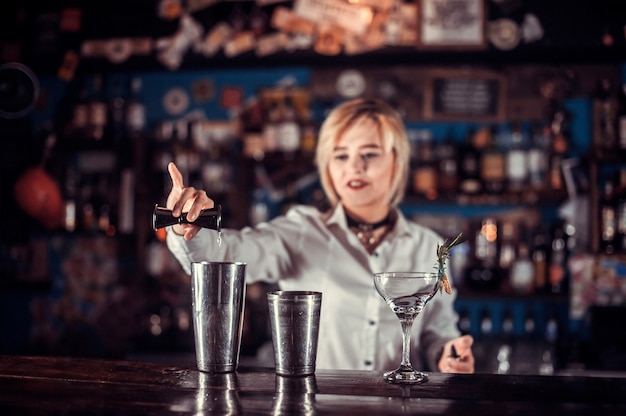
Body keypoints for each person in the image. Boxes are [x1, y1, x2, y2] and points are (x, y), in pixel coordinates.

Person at [165, 98, 475, 374]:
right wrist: (190, 225)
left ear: (396, 162)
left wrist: (448, 355)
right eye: (340, 156)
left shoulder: (431, 248)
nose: (354, 166)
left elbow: (438, 332)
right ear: (328, 166)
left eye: (369, 154)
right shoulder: (301, 231)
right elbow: (225, 254)